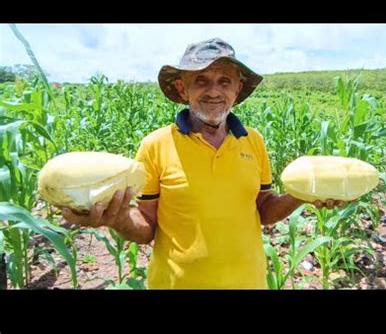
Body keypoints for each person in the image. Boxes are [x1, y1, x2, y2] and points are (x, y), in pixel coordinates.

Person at [62, 37, 351, 289]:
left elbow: (263, 210)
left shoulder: (255, 142)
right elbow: (147, 227)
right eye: (201, 80)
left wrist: (303, 194)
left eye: (224, 81)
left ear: (237, 90)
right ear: (182, 88)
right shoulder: (156, 145)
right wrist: (118, 218)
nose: (214, 91)